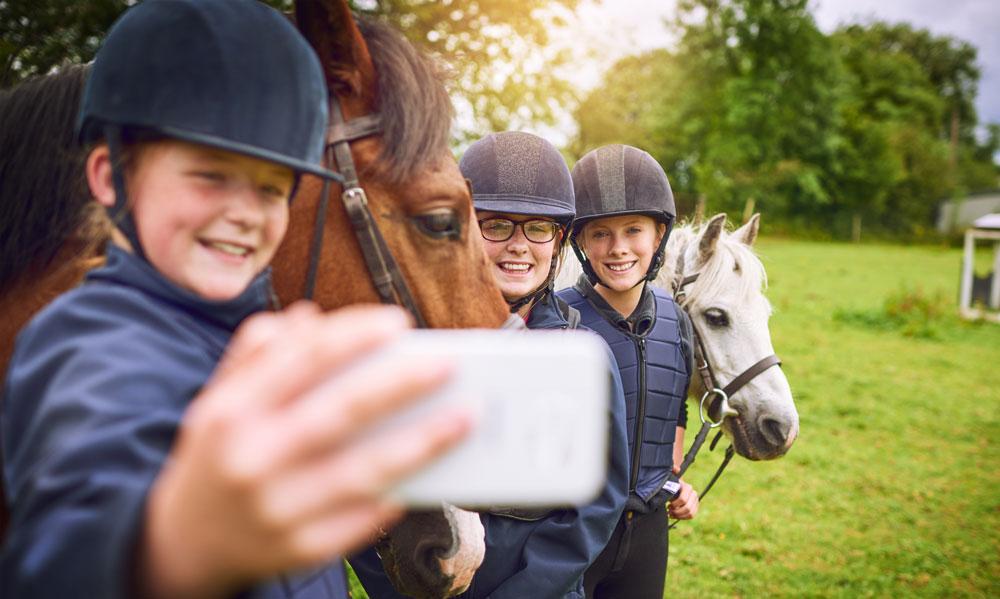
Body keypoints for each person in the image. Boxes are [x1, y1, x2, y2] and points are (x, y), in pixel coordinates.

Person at [0, 2, 470, 598]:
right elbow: (74, 537)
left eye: (273, 188)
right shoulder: (88, 344)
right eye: (210, 175)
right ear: (110, 179)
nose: (245, 213)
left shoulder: (253, 340)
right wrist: (175, 547)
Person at [350, 131, 629, 598]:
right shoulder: (415, 347)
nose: (518, 245)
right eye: (497, 225)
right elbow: (363, 487)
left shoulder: (584, 356)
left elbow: (598, 504)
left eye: (537, 228)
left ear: (557, 240)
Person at [556, 144, 700, 598]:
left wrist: (674, 483)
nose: (618, 249)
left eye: (633, 230)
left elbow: (670, 412)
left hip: (648, 537)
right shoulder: (557, 322)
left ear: (659, 236)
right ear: (579, 241)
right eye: (600, 234)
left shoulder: (676, 321)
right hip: (572, 534)